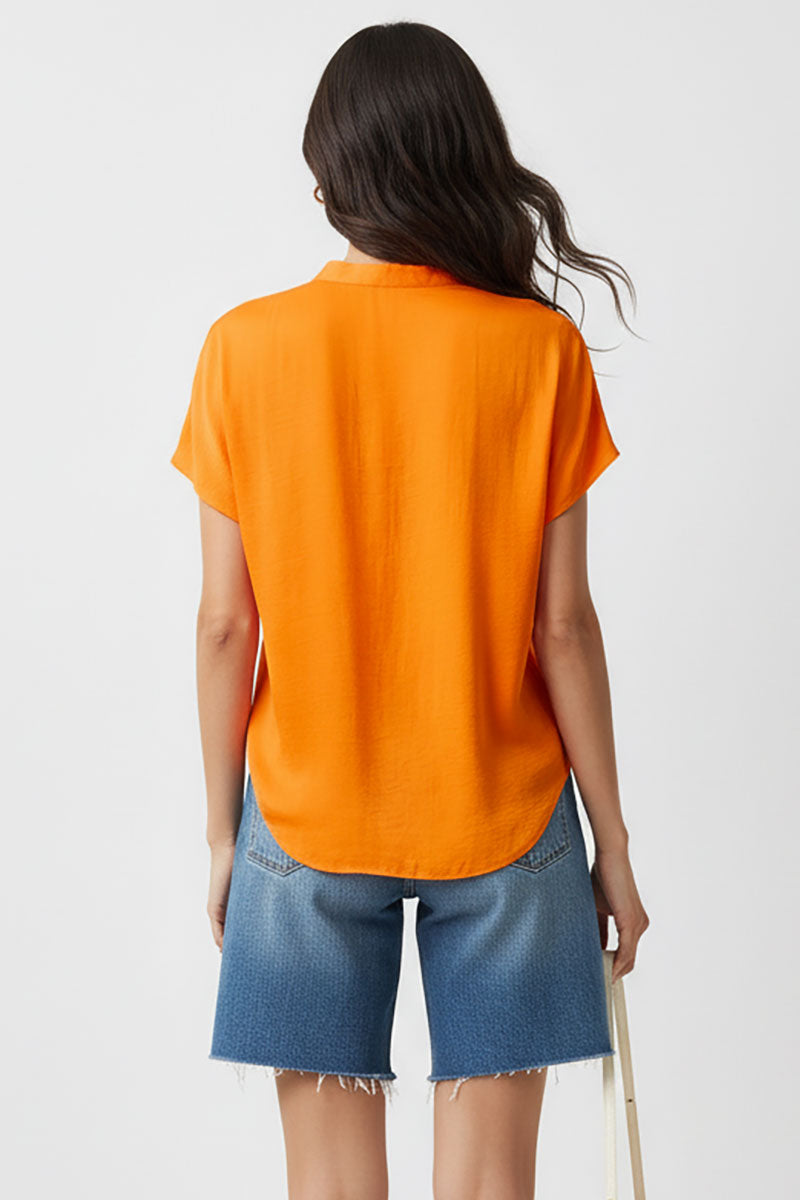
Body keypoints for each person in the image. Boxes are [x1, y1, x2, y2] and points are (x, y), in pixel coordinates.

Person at [170, 20, 649, 1200]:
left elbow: (226, 625)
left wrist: (225, 834)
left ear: (327, 173)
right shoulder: (538, 351)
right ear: (463, 157)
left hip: (301, 818)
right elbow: (561, 629)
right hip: (509, 821)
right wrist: (612, 846)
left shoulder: (242, 348)